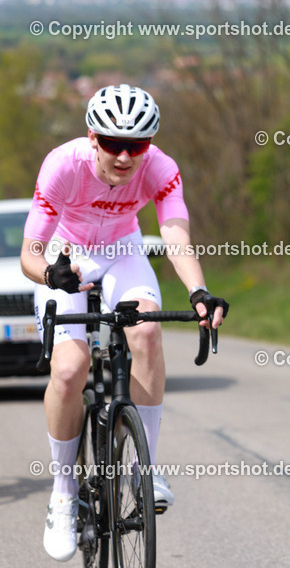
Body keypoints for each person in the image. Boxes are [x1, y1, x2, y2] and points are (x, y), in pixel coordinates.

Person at [21, 84, 229, 562]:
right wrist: (51, 273)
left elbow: (176, 235)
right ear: (92, 138)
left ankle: (145, 469)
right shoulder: (61, 165)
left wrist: (198, 292)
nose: (123, 156)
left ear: (149, 145)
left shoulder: (161, 169)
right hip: (64, 258)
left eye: (135, 145)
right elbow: (29, 253)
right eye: (113, 143)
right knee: (70, 371)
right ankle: (63, 494)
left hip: (123, 253)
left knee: (147, 332)